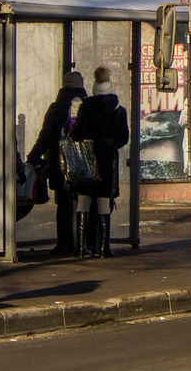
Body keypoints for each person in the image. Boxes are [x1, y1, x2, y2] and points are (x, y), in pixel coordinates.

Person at [69, 66, 129, 257]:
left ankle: (80, 248)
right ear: (110, 88)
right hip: (107, 160)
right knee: (104, 201)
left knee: (83, 201)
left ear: (94, 89)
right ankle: (104, 247)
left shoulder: (85, 108)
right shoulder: (119, 110)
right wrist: (109, 146)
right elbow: (124, 137)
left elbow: (76, 134)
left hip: (86, 158)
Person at [26, 70, 87, 255]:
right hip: (84, 163)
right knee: (85, 202)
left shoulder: (56, 108)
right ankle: (85, 242)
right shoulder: (87, 107)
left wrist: (33, 157)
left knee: (64, 204)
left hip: (59, 162)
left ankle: (65, 244)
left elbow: (46, 136)